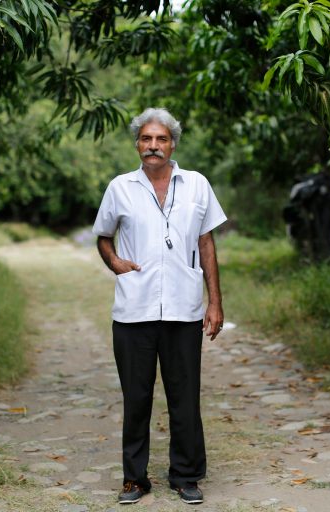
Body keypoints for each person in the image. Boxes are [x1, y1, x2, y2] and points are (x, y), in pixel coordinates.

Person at [92, 107, 227, 505]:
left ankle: (186, 475)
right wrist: (114, 261)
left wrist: (215, 302)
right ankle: (134, 479)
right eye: (147, 139)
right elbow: (103, 236)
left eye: (161, 139)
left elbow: (206, 243)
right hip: (134, 310)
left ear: (173, 144)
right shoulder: (120, 187)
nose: (154, 146)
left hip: (184, 310)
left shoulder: (197, 185)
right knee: (136, 398)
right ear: (137, 144)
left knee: (185, 397)